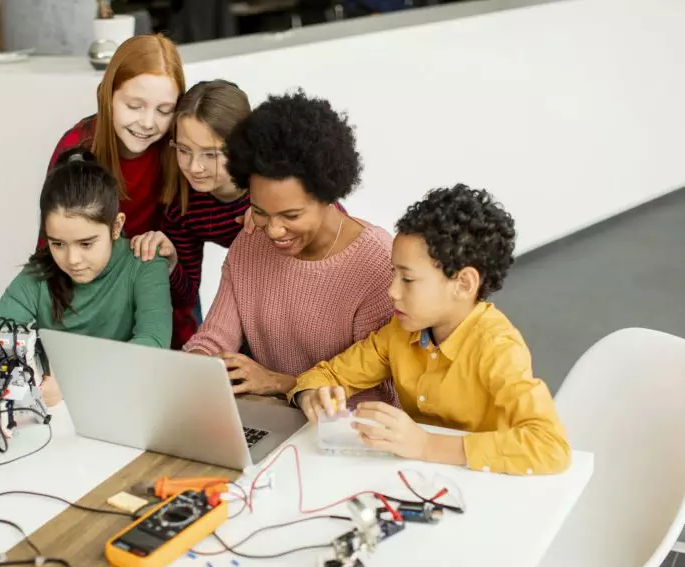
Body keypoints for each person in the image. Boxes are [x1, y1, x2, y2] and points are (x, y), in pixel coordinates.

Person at [292, 185, 572, 476]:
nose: (392, 291)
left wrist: (427, 446)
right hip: (419, 480)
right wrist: (312, 394)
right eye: (393, 274)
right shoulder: (399, 332)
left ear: (463, 284)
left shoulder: (498, 348)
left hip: (486, 484)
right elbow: (327, 375)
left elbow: (550, 446)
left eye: (408, 280)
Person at [182, 89, 397, 409]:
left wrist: (280, 383)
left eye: (291, 215)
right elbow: (212, 340)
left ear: (328, 196)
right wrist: (198, 366)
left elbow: (379, 397)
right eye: (260, 211)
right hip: (276, 420)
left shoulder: (376, 265)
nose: (273, 230)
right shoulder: (251, 242)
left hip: (346, 436)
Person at [0, 150, 173, 406]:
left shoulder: (144, 263)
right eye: (57, 243)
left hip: (123, 408)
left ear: (116, 226)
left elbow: (152, 347)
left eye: (86, 244)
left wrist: (69, 384)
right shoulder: (39, 274)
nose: (72, 259)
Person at [130, 80, 252, 349]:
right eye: (183, 150)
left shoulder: (270, 181)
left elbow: (330, 225)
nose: (194, 167)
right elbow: (186, 296)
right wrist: (172, 262)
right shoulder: (182, 202)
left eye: (210, 154)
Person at [42, 34, 185, 245]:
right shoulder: (77, 146)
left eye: (164, 111)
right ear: (107, 97)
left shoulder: (177, 148)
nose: (147, 123)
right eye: (134, 106)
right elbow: (52, 241)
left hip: (149, 268)